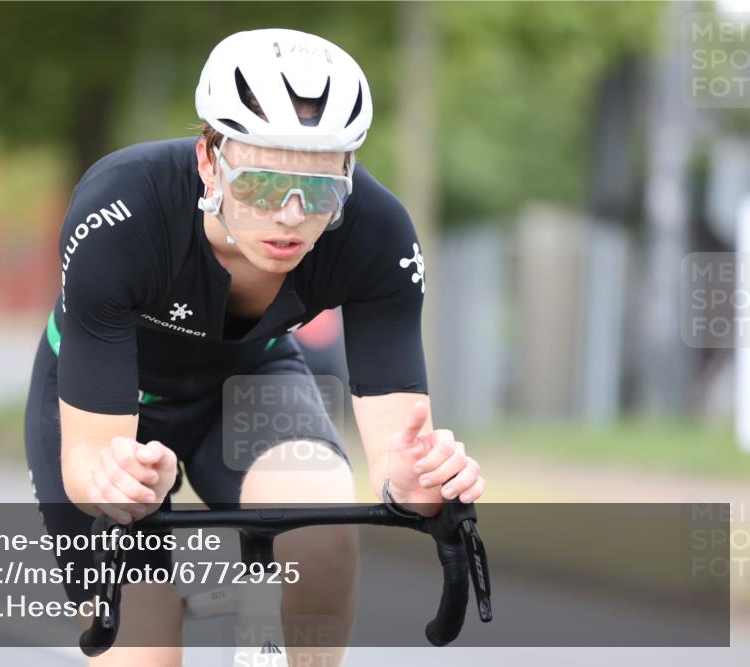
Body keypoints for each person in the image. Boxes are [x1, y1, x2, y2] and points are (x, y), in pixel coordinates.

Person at [24, 27, 485, 667]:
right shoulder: (121, 208)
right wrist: (114, 482)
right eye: (262, 184)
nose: (290, 215)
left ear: (348, 175)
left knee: (322, 532)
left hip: (249, 380)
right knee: (145, 648)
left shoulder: (377, 233)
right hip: (109, 403)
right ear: (209, 161)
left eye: (319, 189)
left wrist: (412, 483)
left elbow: (397, 451)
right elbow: (89, 463)